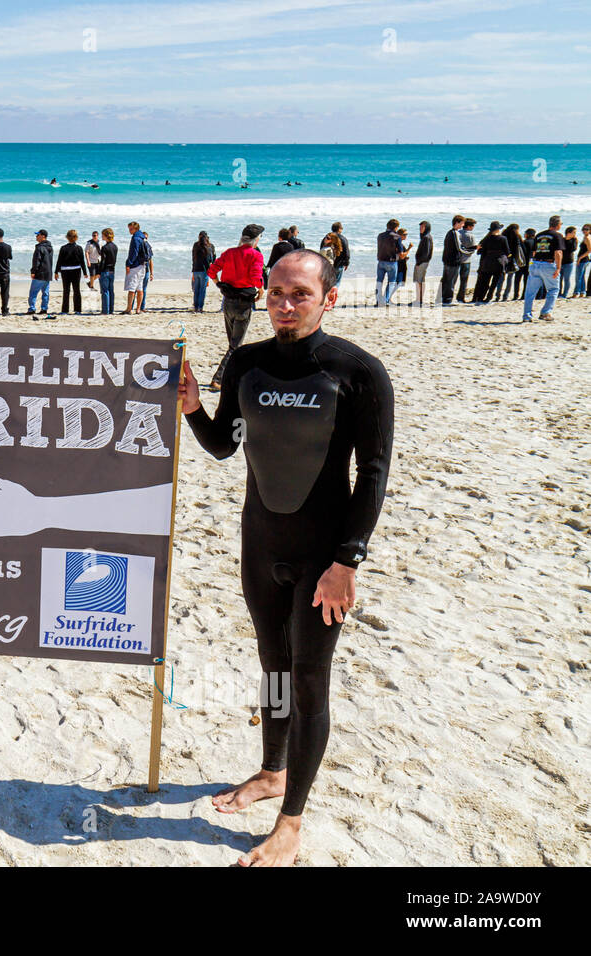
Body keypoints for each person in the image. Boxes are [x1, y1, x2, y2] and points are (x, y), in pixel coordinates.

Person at [177, 248, 394, 867]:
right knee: (273, 667)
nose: (284, 304)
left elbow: (372, 475)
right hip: (260, 546)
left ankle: (290, 822)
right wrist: (194, 407)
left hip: (323, 558)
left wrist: (346, 562)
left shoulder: (357, 371)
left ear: (329, 298)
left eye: (300, 294)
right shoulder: (245, 362)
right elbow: (224, 446)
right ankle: (272, 769)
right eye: (276, 292)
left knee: (308, 681)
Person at [205, 223, 265, 391]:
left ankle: (232, 377)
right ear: (255, 240)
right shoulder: (255, 255)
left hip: (228, 301)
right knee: (235, 346)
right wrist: (260, 290)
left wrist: (219, 284)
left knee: (232, 343)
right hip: (243, 303)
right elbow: (255, 277)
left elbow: (211, 270)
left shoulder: (230, 252)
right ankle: (217, 380)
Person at [523, 215, 565, 322]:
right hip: (548, 264)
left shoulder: (539, 235)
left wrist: (531, 265)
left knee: (530, 292)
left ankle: (526, 316)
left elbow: (533, 252)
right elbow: (558, 252)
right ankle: (545, 312)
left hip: (536, 263)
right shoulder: (557, 236)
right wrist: (558, 268)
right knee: (553, 289)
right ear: (558, 225)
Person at [472, 221, 509, 304]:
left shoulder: (486, 239)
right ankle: (489, 297)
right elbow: (507, 251)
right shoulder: (503, 238)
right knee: (495, 282)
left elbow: (481, 251)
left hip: (487, 262)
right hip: (499, 262)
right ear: (498, 230)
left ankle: (481, 297)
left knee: (486, 281)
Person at [54, 229, 86, 314]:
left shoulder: (63, 248)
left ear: (67, 237)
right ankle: (77, 310)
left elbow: (59, 261)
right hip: (76, 270)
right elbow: (82, 261)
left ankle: (65, 310)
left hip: (65, 271)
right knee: (76, 290)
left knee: (66, 290)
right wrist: (85, 272)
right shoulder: (79, 248)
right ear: (76, 238)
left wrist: (56, 272)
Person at [122, 221, 150, 314]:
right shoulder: (143, 237)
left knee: (132, 288)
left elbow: (134, 253)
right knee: (140, 288)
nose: (129, 231)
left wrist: (128, 264)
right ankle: (138, 309)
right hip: (143, 265)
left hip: (135, 265)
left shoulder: (135, 238)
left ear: (135, 228)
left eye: (131, 229)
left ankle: (129, 309)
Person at [439, 214, 466, 306]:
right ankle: (448, 299)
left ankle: (442, 298)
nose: (463, 225)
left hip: (447, 260)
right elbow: (459, 248)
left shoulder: (449, 232)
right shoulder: (455, 233)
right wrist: (472, 249)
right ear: (457, 223)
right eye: (462, 223)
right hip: (453, 261)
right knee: (451, 281)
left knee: (446, 280)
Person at [374, 219, 401, 306]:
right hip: (391, 261)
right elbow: (400, 252)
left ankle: (378, 300)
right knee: (391, 282)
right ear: (396, 227)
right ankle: (386, 300)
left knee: (379, 281)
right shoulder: (397, 237)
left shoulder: (380, 236)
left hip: (381, 260)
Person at [28, 229, 53, 316]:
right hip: (48, 273)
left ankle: (32, 308)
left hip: (40, 273)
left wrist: (33, 271)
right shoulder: (50, 247)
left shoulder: (39, 247)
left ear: (43, 236)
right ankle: (44, 309)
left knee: (33, 292)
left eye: (38, 235)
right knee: (45, 292)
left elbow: (36, 261)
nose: (36, 236)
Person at [191, 231, 215, 313]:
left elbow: (193, 258)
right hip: (204, 271)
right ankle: (200, 307)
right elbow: (211, 260)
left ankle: (196, 306)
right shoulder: (208, 247)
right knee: (202, 290)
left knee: (196, 289)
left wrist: (193, 269)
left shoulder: (195, 246)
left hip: (195, 270)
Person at [500, 223, 525, 301]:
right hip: (512, 259)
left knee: (501, 278)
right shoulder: (517, 237)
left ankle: (498, 295)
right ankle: (505, 295)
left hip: (503, 258)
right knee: (510, 278)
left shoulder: (503, 235)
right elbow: (519, 248)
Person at [456, 218, 477, 302]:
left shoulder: (458, 233)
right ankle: (460, 297)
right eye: (472, 226)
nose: (473, 228)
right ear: (468, 226)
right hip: (466, 260)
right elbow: (472, 249)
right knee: (464, 280)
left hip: (457, 259)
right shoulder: (471, 236)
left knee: (453, 279)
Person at [99, 227, 119, 314]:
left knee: (105, 291)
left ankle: (105, 310)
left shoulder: (104, 247)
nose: (101, 236)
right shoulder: (115, 247)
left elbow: (103, 261)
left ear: (106, 236)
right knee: (111, 290)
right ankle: (111, 309)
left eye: (103, 235)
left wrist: (99, 271)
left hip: (105, 270)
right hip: (112, 270)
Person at [558, 226, 578, 297]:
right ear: (568, 232)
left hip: (569, 262)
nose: (575, 234)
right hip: (560, 262)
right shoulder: (562, 240)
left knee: (567, 279)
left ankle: (565, 294)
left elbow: (573, 249)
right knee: (559, 279)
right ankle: (558, 293)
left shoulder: (574, 240)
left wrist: (573, 240)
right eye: (574, 232)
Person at [330, 221, 350, 286]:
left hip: (328, 263)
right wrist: (346, 263)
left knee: (329, 282)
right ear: (339, 229)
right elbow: (346, 252)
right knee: (337, 282)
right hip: (339, 263)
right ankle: (333, 295)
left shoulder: (327, 237)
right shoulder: (343, 239)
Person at [573, 224, 591, 297]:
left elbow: (589, 250)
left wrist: (580, 258)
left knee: (578, 277)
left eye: (586, 229)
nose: (584, 231)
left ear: (590, 230)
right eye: (583, 229)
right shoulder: (585, 237)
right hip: (584, 259)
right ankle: (582, 292)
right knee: (581, 276)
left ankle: (576, 293)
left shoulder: (587, 238)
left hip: (583, 260)